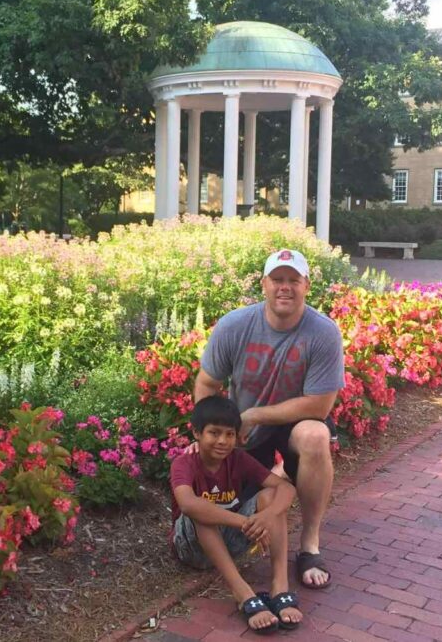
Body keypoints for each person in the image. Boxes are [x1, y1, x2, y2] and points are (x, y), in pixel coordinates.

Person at [193, 249, 344, 590]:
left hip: (293, 424)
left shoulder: (323, 333)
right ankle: (275, 477)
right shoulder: (235, 325)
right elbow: (207, 383)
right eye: (277, 280)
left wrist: (256, 414)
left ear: (307, 285)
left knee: (316, 436)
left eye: (293, 280)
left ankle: (309, 545)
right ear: (264, 285)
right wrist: (207, 434)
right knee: (234, 507)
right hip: (246, 434)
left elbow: (319, 406)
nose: (285, 288)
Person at [170, 395, 302, 634]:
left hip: (229, 542)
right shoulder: (185, 462)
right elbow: (187, 504)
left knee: (272, 497)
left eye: (230, 434)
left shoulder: (238, 458)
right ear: (197, 433)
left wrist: (268, 516)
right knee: (202, 508)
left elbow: (286, 487)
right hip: (192, 547)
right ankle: (241, 591)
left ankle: (279, 585)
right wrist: (244, 522)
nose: (223, 441)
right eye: (214, 433)